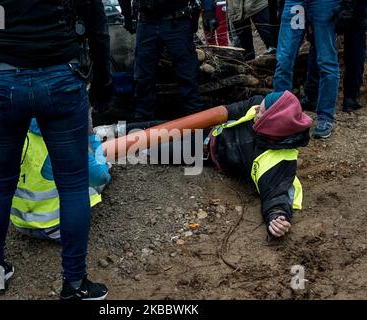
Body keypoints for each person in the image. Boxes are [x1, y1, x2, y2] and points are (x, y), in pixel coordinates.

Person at [0, 0, 113, 299]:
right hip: (60, 78)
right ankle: (75, 283)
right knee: (72, 186)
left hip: (0, 82)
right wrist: (104, 81)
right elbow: (97, 24)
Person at [207, 91, 312, 238]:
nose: (256, 109)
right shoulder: (257, 104)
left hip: (209, 154)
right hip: (211, 130)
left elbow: (276, 193)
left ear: (271, 121)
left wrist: (277, 216)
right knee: (165, 127)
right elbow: (230, 110)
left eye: (261, 111)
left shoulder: (276, 159)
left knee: (164, 149)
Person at [11, 119, 111, 242]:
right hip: (53, 226)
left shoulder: (9, 126)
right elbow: (102, 177)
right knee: (98, 174)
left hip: (19, 221)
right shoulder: (63, 140)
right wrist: (91, 136)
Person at [119, 0, 204, 120]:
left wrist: (209, 11)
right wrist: (127, 15)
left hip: (177, 19)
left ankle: (197, 120)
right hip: (147, 22)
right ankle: (144, 123)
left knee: (187, 74)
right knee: (143, 77)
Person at [274, 0, 340, 139]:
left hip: (325, 3)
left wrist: (348, 6)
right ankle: (280, 114)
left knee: (326, 60)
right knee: (284, 59)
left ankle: (325, 116)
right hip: (295, 2)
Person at [336, 0, 367, 113]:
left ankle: (315, 95)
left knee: (322, 44)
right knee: (355, 50)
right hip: (356, 7)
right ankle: (350, 98)